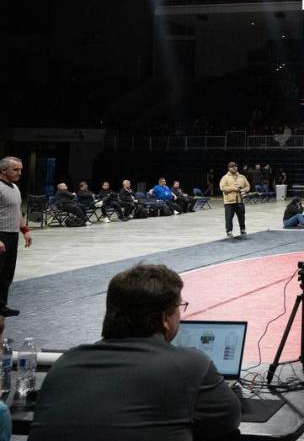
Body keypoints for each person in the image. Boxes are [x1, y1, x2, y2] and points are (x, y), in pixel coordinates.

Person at [29, 263, 241, 441]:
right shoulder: (190, 364)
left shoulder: (64, 363)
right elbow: (227, 420)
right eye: (179, 307)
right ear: (164, 319)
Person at [0, 157, 32, 317]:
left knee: (7, 273)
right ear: (3, 170)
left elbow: (18, 211)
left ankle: (1, 305)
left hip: (12, 234)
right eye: (16, 169)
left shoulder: (15, 188)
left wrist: (24, 229)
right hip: (1, 235)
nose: (20, 172)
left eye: (20, 169)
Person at [220, 162, 250, 237]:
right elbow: (223, 188)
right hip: (229, 202)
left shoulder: (242, 177)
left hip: (240, 201)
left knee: (242, 217)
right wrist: (234, 188)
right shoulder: (225, 177)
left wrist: (244, 190)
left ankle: (242, 230)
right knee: (229, 218)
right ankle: (229, 231)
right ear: (229, 168)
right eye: (232, 167)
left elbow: (248, 186)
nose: (235, 168)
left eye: (236, 167)